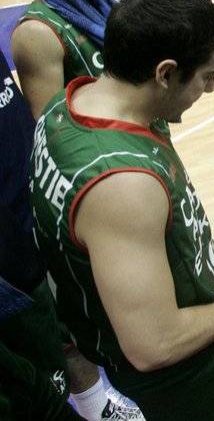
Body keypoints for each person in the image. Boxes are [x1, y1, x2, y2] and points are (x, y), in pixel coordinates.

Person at [31, 0, 214, 419]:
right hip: (190, 379)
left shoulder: (66, 104)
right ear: (164, 73)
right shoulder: (123, 183)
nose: (211, 91)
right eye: (207, 77)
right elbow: (153, 343)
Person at [0, 48, 82, 419]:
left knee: (64, 326)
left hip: (33, 206)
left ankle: (93, 403)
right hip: (10, 250)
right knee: (37, 380)